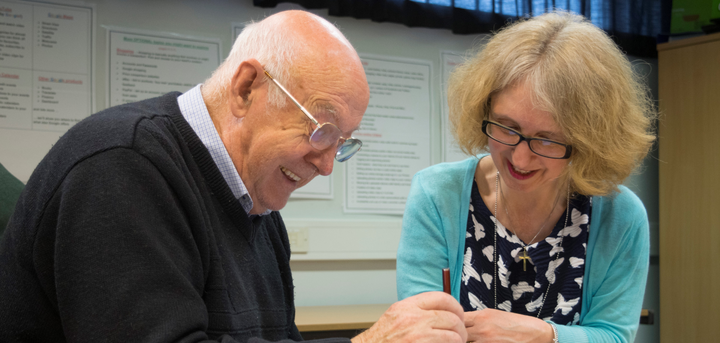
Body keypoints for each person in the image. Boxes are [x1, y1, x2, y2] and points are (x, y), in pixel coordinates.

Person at [0, 10, 467, 343]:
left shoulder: (258, 206)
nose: (327, 165)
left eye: (342, 143)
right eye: (321, 130)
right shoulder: (122, 166)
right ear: (246, 88)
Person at [396, 12, 655, 343]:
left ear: (588, 142)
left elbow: (614, 335)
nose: (519, 158)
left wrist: (544, 336)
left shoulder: (621, 217)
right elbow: (417, 330)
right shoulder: (437, 195)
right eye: (507, 127)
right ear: (484, 110)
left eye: (547, 139)